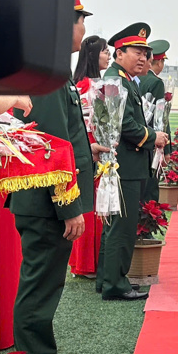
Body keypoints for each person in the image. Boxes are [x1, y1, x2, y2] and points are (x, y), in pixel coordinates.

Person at [8, 0, 99, 354]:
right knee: (39, 283)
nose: (83, 29)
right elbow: (51, 144)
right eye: (80, 20)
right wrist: (69, 206)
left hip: (44, 198)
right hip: (46, 201)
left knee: (46, 282)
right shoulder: (46, 71)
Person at [97, 22, 170, 301]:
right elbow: (124, 125)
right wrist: (153, 136)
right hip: (124, 164)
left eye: (145, 53)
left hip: (125, 163)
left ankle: (109, 278)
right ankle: (115, 283)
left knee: (116, 225)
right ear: (119, 53)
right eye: (136, 51)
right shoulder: (116, 81)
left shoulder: (124, 79)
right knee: (123, 228)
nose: (143, 58)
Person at [69, 34, 110, 279]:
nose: (108, 55)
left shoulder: (85, 83)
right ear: (94, 55)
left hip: (94, 150)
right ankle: (86, 263)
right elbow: (85, 124)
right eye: (105, 51)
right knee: (91, 209)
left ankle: (83, 262)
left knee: (94, 207)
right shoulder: (88, 86)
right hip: (92, 154)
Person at [139, 39, 170, 205]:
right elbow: (161, 119)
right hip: (152, 141)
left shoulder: (136, 79)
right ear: (158, 62)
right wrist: (167, 148)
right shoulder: (156, 82)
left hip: (138, 139)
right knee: (151, 186)